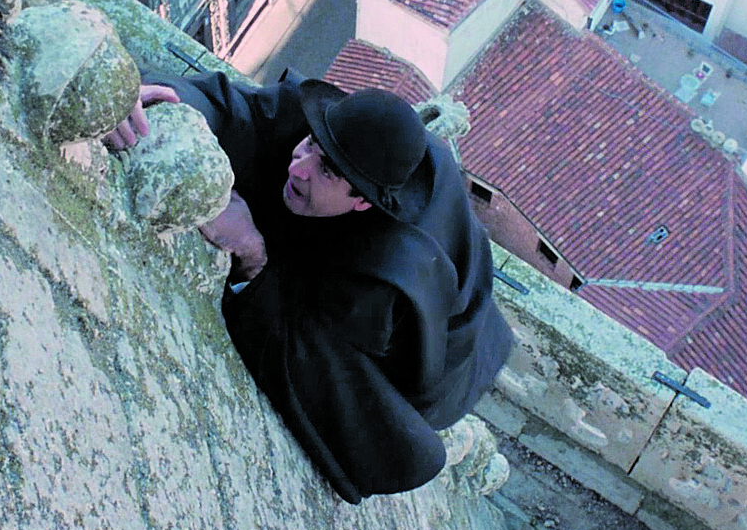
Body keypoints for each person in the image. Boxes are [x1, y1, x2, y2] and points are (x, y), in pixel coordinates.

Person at [106, 70, 514, 503]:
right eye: (310, 146)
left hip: (441, 356)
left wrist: (253, 255)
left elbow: (306, 355)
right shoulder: (333, 131)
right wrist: (160, 105)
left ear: (361, 200)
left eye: (326, 171)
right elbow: (240, 108)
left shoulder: (377, 292)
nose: (297, 166)